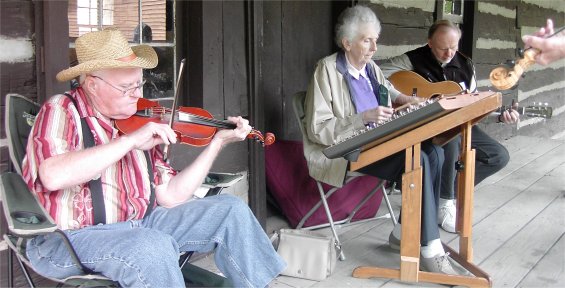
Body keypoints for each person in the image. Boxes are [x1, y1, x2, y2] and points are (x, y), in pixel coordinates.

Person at [21, 28, 285, 287]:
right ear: (92, 84)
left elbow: (171, 196)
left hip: (142, 224)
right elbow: (53, 175)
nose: (138, 95)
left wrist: (216, 143)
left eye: (139, 84)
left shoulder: (137, 121)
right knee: (152, 248)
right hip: (70, 240)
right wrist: (129, 142)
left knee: (231, 210)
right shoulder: (62, 110)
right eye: (127, 88)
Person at [302, 6, 458, 274]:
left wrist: (408, 101)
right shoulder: (326, 70)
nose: (375, 47)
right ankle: (430, 248)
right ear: (346, 42)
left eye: (376, 39)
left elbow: (389, 89)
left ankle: (402, 233)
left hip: (380, 143)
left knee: (435, 152)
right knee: (418, 158)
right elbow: (318, 129)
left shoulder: (370, 68)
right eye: (367, 40)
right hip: (347, 151)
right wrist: (362, 118)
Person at [380, 20, 519, 233]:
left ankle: (441, 196)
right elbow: (375, 74)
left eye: (453, 47)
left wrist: (500, 117)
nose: (449, 53)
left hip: (460, 123)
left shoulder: (466, 65)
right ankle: (444, 204)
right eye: (442, 48)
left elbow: (473, 106)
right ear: (429, 42)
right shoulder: (412, 59)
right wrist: (404, 97)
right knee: (451, 136)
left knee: (498, 156)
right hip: (423, 126)